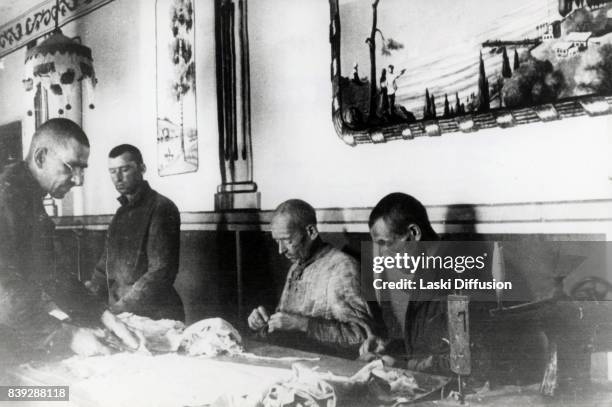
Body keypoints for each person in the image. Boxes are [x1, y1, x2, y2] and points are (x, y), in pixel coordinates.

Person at [0, 118, 138, 365]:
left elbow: (51, 273)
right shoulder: (5, 198)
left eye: (82, 169)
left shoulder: (27, 197)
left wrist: (103, 316)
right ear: (41, 157)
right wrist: (67, 334)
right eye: (70, 167)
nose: (77, 179)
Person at [247, 199, 379, 358]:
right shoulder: (296, 267)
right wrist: (263, 324)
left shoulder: (341, 267)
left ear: (311, 232)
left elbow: (362, 337)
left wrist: (303, 324)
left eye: (287, 241)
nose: (280, 250)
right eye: (277, 241)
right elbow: (284, 326)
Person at [85, 144, 184, 321]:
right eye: (113, 171)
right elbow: (104, 266)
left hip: (155, 315)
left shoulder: (161, 208)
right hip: (122, 312)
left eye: (125, 169)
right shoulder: (120, 214)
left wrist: (118, 310)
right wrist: (88, 298)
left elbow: (160, 272)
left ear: (142, 169)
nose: (118, 178)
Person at [369, 192, 450, 373]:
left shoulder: (459, 273)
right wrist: (385, 346)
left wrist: (402, 365)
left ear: (413, 233)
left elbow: (464, 359)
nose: (382, 253)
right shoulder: (421, 270)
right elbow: (419, 346)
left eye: (385, 243)